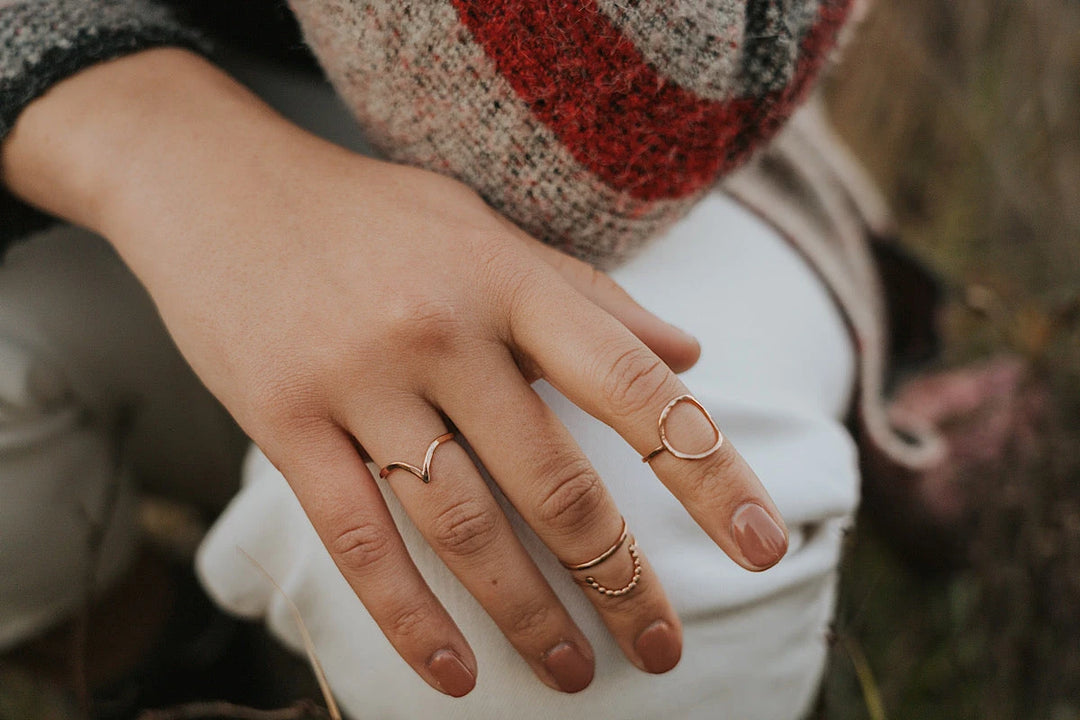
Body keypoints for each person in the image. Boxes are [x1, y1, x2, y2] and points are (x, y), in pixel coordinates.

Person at [0, 1, 942, 717]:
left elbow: (624, 114)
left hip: (670, 201)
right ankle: (169, 662)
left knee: (619, 595)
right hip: (109, 123)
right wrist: (176, 162)